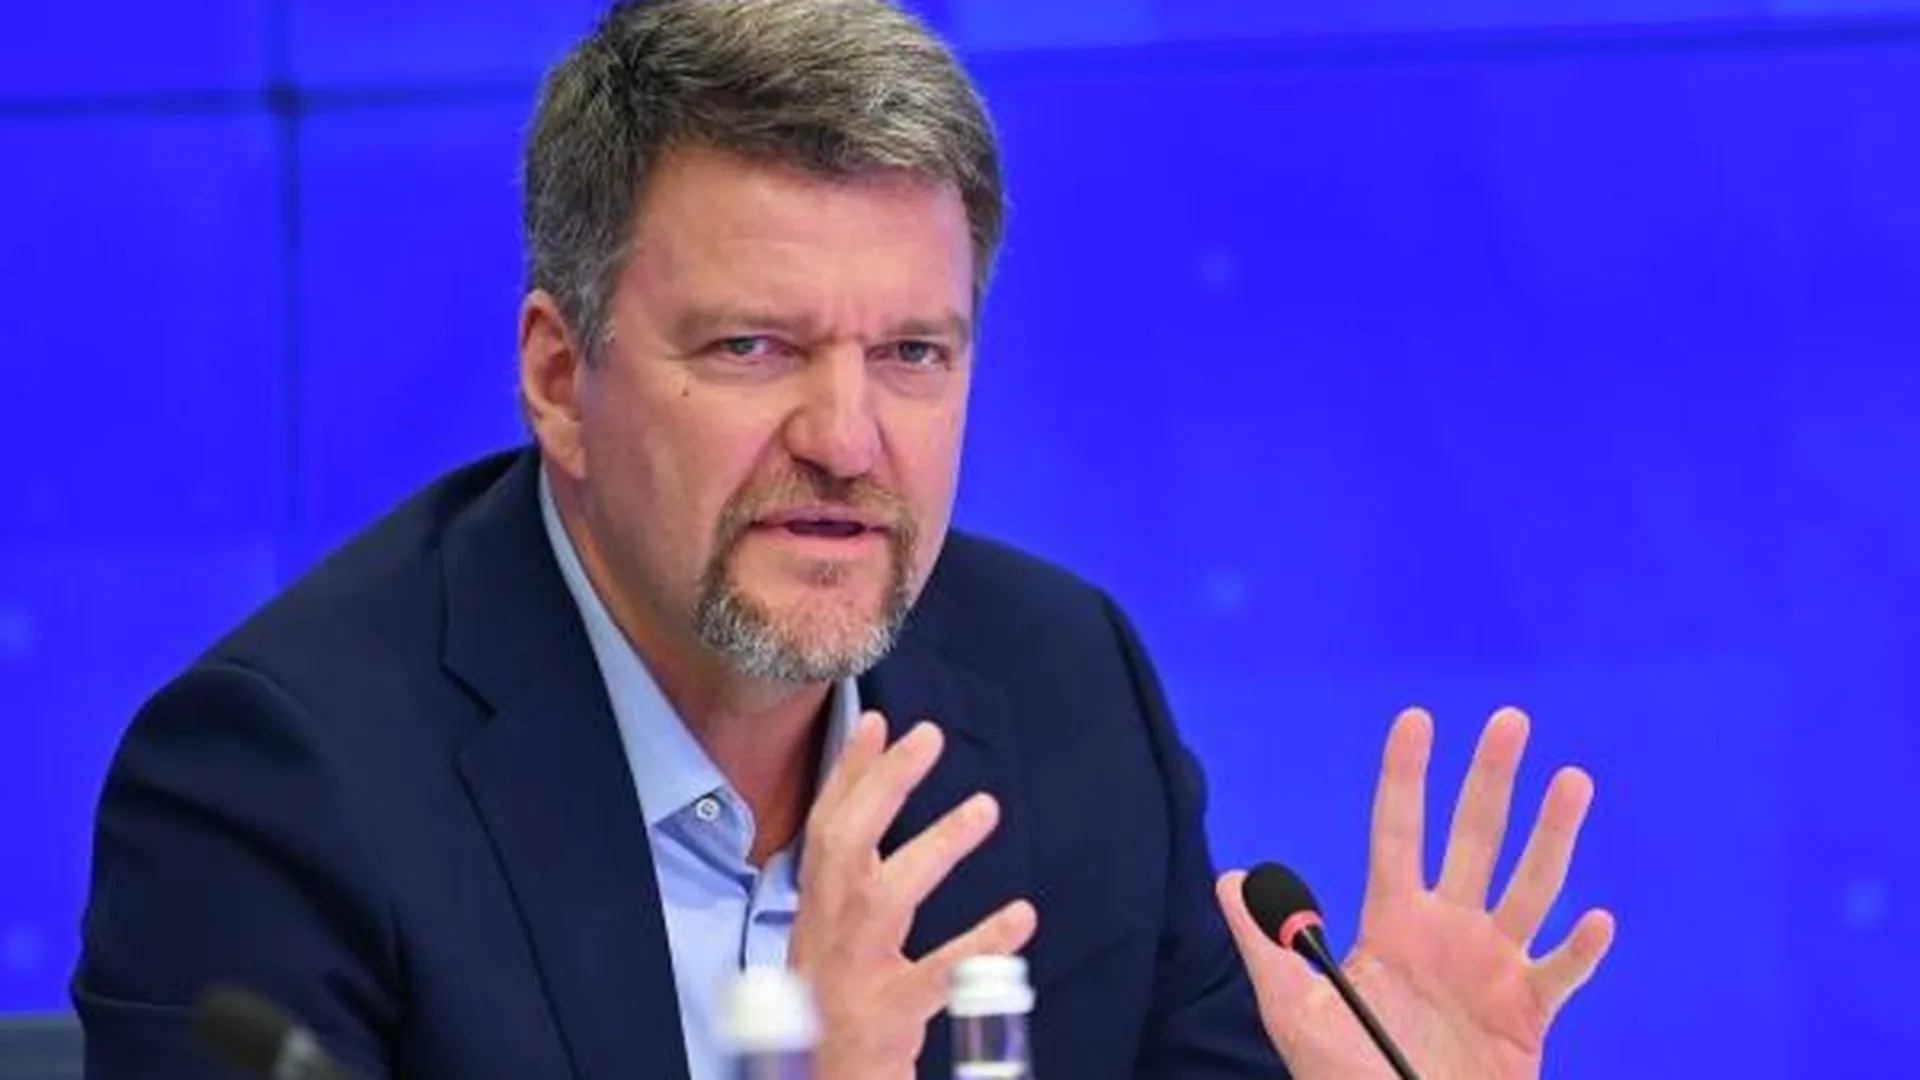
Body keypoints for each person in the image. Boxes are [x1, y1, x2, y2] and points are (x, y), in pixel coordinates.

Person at [72, 1, 1615, 1078]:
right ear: (559, 376)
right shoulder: (283, 789)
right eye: (753, 348)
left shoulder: (1065, 688)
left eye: (913, 355)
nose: (848, 438)